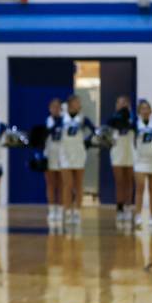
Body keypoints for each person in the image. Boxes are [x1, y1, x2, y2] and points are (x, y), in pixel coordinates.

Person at [59, 94, 95, 225]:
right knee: (67, 184)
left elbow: (94, 131)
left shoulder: (83, 119)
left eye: (79, 102)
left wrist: (87, 142)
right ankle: (67, 211)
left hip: (79, 153)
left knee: (78, 184)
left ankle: (77, 211)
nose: (79, 104)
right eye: (77, 102)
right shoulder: (62, 118)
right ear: (70, 104)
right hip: (65, 154)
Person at [133, 99, 152, 229]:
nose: (145, 110)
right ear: (139, 111)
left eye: (147, 108)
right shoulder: (135, 123)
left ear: (150, 111)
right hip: (140, 160)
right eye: (142, 108)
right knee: (140, 188)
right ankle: (138, 215)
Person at [108, 96, 134, 225]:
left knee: (129, 181)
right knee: (119, 182)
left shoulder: (132, 119)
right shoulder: (113, 119)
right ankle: (119, 209)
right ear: (116, 105)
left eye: (125, 103)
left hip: (130, 153)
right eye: (120, 102)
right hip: (117, 153)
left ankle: (128, 208)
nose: (122, 105)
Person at [44, 98, 64, 225]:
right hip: (50, 154)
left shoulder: (65, 121)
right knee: (51, 184)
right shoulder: (48, 121)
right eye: (53, 107)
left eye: (58, 107)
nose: (55, 109)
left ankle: (60, 209)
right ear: (49, 109)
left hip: (62, 155)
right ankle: (52, 209)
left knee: (61, 184)